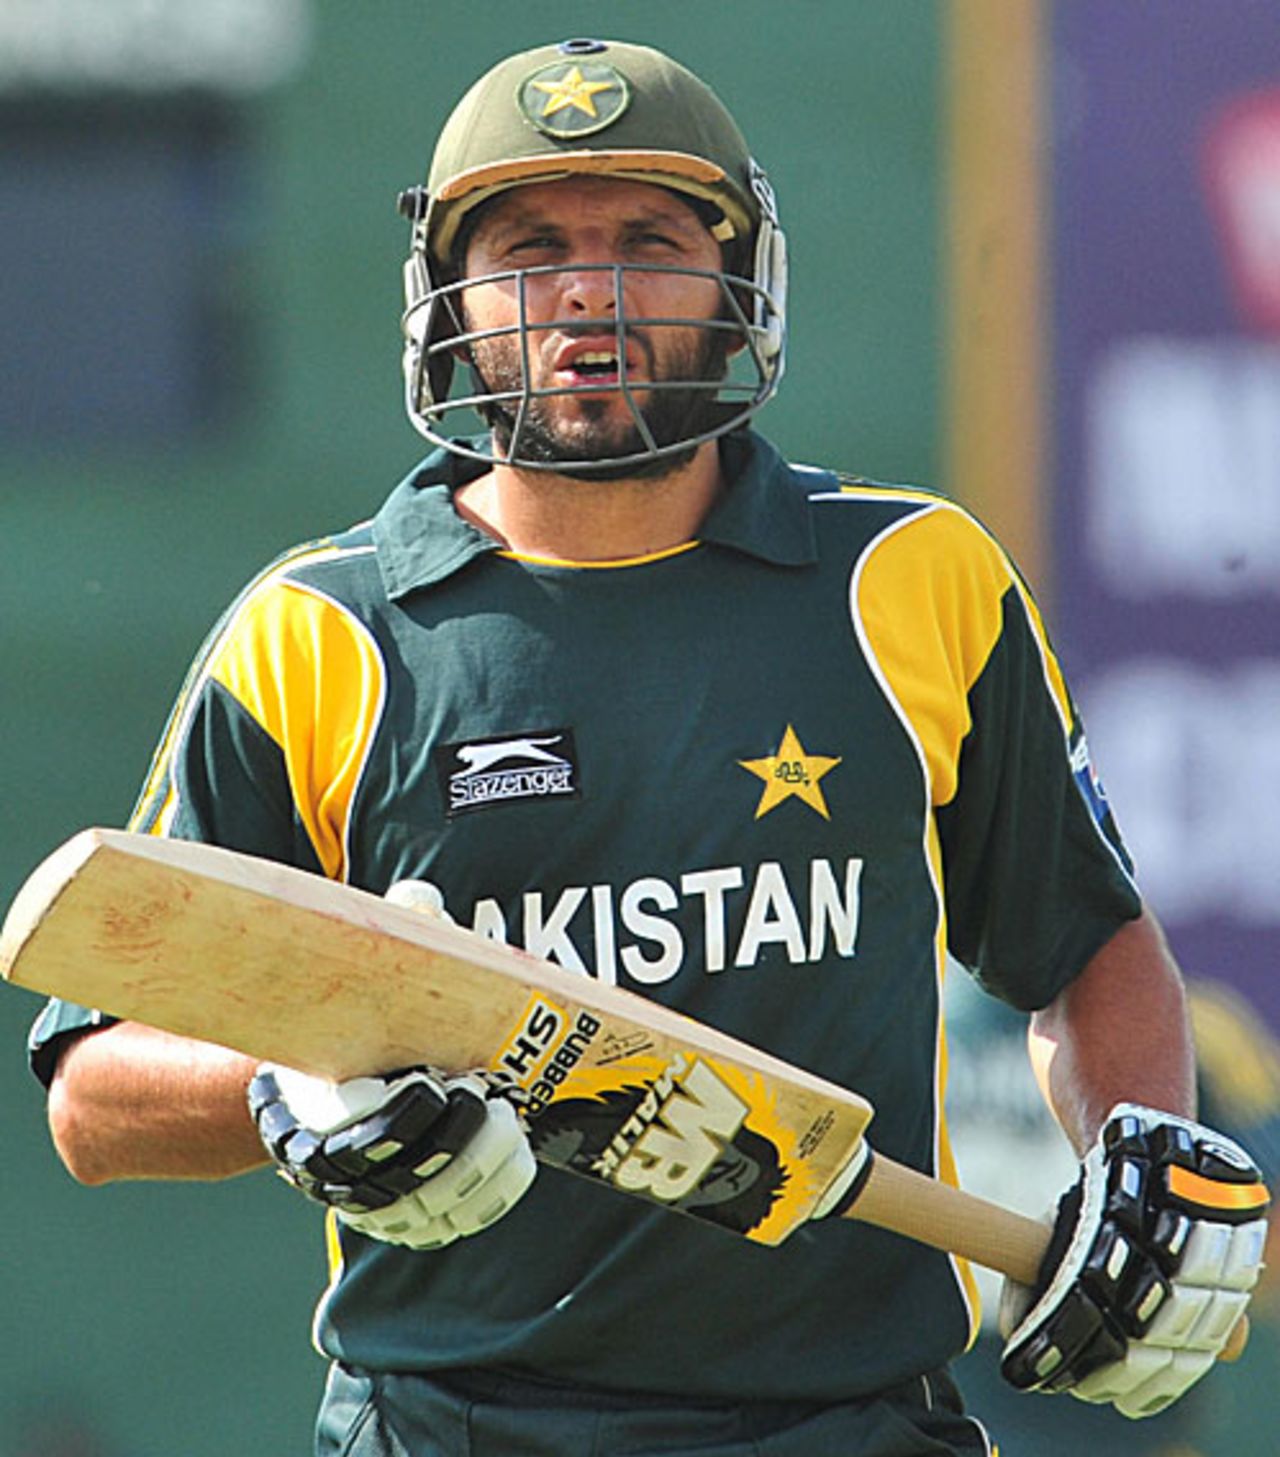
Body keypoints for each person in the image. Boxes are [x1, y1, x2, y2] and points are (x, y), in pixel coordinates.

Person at [29, 37, 1270, 1457]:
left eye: (648, 241)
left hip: (855, 1424)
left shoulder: (915, 577)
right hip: (446, 1426)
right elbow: (91, 1086)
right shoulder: (316, 633)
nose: (587, 289)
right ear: (451, 295)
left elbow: (1087, 946)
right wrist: (289, 1091)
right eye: (532, 244)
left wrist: (1145, 1145)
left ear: (740, 275)